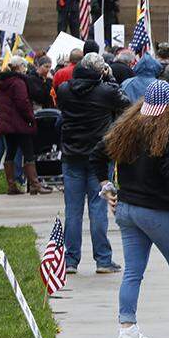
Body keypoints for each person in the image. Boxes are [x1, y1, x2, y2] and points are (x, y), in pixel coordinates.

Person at [92, 80, 169, 338]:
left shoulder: (126, 127)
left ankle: (127, 328)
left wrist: (105, 184)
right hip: (156, 210)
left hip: (126, 209)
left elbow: (97, 154)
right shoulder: (168, 136)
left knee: (133, 271)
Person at [57, 52, 128, 274]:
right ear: (100, 71)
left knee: (73, 210)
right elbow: (125, 102)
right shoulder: (106, 91)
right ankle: (103, 260)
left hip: (71, 154)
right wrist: (110, 78)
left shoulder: (64, 90)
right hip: (99, 155)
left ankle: (70, 260)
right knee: (98, 208)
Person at [0, 56, 52, 195]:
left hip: (7, 123)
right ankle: (35, 184)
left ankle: (11, 185)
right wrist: (30, 118)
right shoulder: (19, 82)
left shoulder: (3, 82)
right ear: (19, 67)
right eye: (24, 66)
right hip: (19, 122)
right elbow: (23, 103)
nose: (25, 68)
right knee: (28, 152)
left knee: (10, 151)